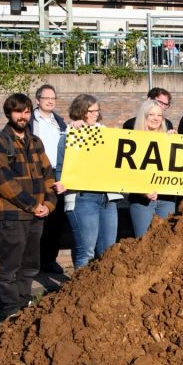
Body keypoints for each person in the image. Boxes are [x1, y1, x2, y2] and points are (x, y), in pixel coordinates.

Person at [0, 93, 57, 320]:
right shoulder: (0, 142)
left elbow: (49, 174)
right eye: (18, 111)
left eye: (26, 111)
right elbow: (4, 182)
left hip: (37, 215)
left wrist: (48, 204)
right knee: (10, 268)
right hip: (13, 216)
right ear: (9, 113)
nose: (22, 116)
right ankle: (10, 310)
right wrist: (32, 205)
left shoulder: (35, 142)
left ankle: (24, 304)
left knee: (29, 265)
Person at [55, 94, 123, 269]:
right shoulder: (69, 136)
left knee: (108, 252)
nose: (95, 114)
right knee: (86, 251)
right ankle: (81, 293)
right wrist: (61, 182)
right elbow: (62, 167)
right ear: (80, 111)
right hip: (82, 198)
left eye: (97, 110)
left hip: (107, 198)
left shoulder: (106, 134)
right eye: (90, 110)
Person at [29, 84, 68, 276]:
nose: (50, 101)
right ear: (38, 100)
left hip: (56, 174)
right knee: (36, 219)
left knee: (55, 220)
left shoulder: (60, 123)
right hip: (36, 174)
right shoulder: (30, 121)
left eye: (53, 98)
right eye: (46, 98)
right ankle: (33, 262)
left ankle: (49, 260)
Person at [127, 100, 177, 236]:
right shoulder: (131, 140)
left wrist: (178, 141)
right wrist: (142, 191)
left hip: (167, 199)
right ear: (144, 116)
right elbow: (126, 172)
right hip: (142, 201)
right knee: (144, 244)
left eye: (159, 115)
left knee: (167, 244)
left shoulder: (169, 139)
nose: (156, 118)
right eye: (151, 114)